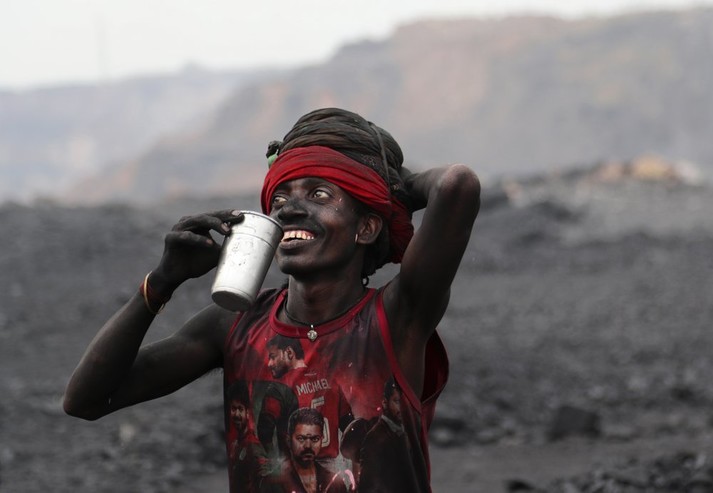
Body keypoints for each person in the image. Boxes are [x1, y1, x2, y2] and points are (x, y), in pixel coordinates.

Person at [63, 107, 481, 493]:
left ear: (366, 228)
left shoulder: (396, 317)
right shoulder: (235, 325)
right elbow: (86, 400)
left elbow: (456, 186)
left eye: (319, 195)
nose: (289, 210)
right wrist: (162, 281)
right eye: (279, 200)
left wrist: (394, 185)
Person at [258, 334, 354, 468]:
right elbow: (349, 425)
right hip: (332, 468)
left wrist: (275, 464)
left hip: (297, 470)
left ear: (289, 353)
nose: (270, 363)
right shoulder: (330, 379)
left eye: (273, 357)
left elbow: (264, 430)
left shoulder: (279, 388)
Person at [262, 407, 349, 493]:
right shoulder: (273, 483)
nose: (308, 445)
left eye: (315, 439)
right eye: (301, 438)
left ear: (321, 440)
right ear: (288, 440)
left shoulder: (335, 484)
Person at [356, 378, 411, 492]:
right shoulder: (375, 439)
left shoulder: (404, 432)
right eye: (397, 401)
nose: (402, 408)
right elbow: (367, 485)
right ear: (385, 403)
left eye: (405, 403)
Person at [226, 381, 268, 492]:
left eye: (240, 409)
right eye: (233, 409)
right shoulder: (235, 445)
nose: (236, 414)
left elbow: (266, 481)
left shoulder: (253, 446)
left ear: (247, 413)